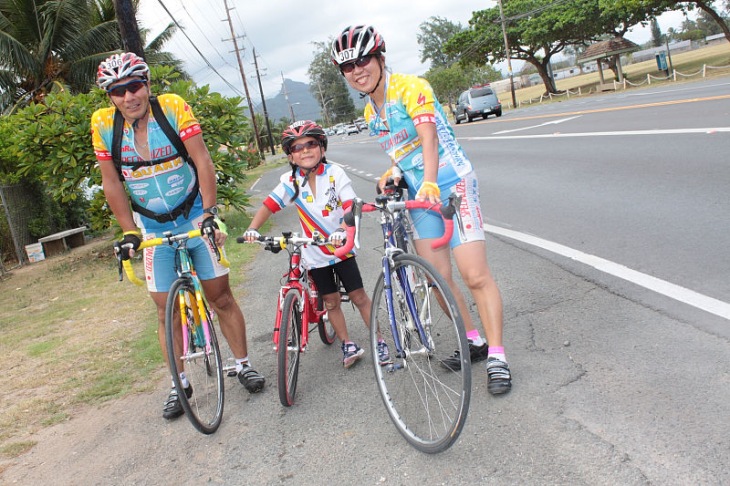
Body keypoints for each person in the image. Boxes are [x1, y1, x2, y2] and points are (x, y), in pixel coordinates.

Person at [331, 25, 512, 394]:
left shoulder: (411, 87)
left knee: (474, 273)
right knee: (435, 278)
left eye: (363, 60)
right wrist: (394, 174)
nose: (357, 70)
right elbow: (400, 154)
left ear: (380, 57)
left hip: (451, 184)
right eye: (347, 67)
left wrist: (429, 180)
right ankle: (474, 341)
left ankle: (497, 356)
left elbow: (428, 137)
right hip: (419, 194)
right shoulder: (370, 113)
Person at [91, 52, 265, 420]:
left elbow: (202, 160)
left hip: (192, 217)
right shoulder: (104, 124)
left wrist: (208, 213)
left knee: (221, 297)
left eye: (134, 86)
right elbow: (111, 181)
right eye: (117, 91)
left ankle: (243, 363)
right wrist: (128, 230)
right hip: (152, 226)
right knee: (163, 310)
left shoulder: (172, 107)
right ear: (109, 96)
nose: (127, 97)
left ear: (147, 85)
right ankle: (179, 383)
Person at [242, 120, 390, 368]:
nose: (305, 151)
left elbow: (349, 206)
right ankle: (347, 344)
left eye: (311, 144)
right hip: (315, 252)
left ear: (322, 148)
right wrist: (252, 229)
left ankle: (379, 340)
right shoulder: (290, 181)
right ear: (290, 156)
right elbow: (270, 204)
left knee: (358, 296)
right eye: (297, 148)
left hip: (341, 248)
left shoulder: (335, 174)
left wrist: (343, 229)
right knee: (331, 301)